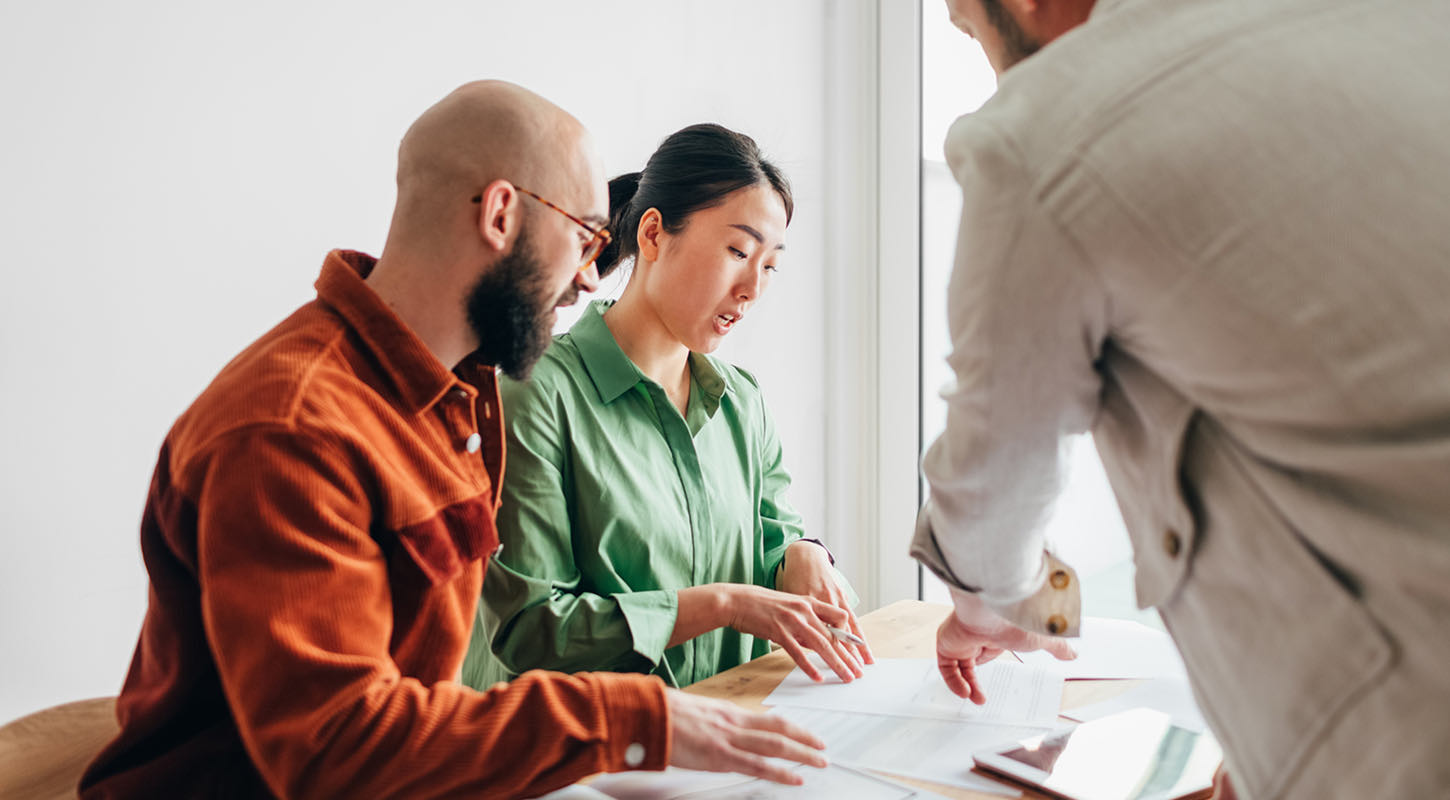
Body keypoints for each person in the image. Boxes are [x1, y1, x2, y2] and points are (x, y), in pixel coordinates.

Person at [79, 81, 833, 799]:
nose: (588, 277)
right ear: (501, 215)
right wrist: (631, 720)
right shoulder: (293, 428)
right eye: (582, 236)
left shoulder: (453, 398)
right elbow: (332, 749)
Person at [910, 1, 1450, 799]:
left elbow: (991, 498)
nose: (987, 62)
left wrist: (1000, 605)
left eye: (969, 29)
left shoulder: (1040, 133)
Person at [463, 123, 872, 692]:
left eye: (770, 265)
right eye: (738, 251)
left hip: (720, 741)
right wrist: (722, 605)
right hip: (577, 764)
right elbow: (530, 630)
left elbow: (771, 539)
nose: (754, 287)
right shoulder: (536, 396)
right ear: (653, 234)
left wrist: (803, 554)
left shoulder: (741, 401)